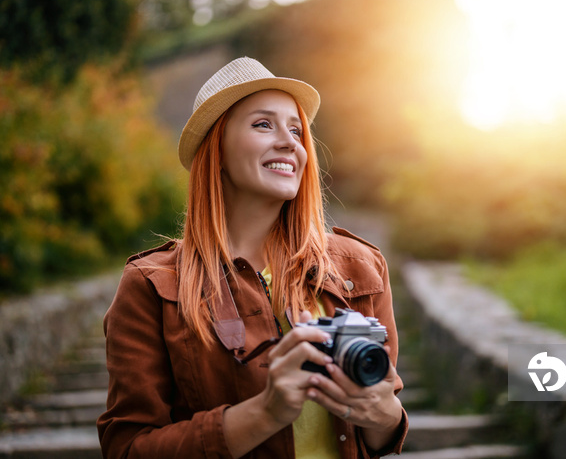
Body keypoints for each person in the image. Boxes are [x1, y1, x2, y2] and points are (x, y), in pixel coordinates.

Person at [97, 57, 407, 458]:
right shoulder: (151, 285)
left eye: (296, 130)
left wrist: (384, 415)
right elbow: (126, 449)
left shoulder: (359, 266)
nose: (289, 142)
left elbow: (382, 433)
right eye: (264, 124)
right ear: (218, 150)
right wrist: (266, 412)